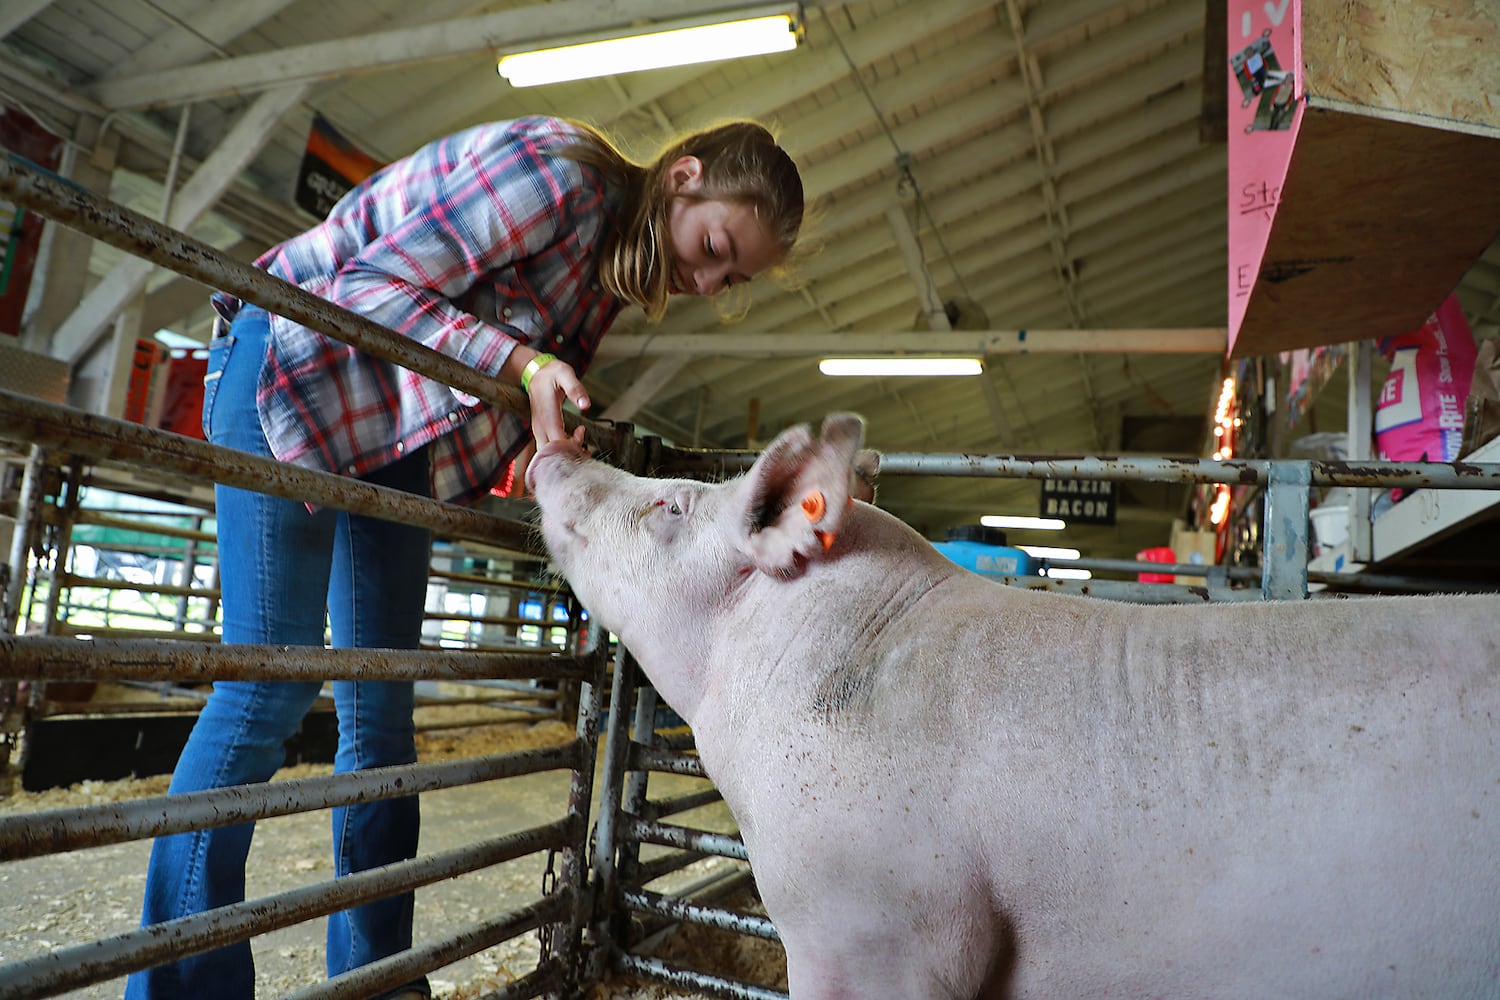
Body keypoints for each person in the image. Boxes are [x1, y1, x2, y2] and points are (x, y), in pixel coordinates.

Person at [125, 114, 804, 1000]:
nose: (710, 280)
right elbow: (366, 288)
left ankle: (381, 980)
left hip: (390, 426)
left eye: (732, 276)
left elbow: (494, 386)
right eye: (716, 246)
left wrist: (524, 447)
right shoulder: (558, 175)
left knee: (381, 715)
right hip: (288, 361)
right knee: (269, 680)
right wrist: (524, 368)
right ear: (682, 178)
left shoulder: (605, 283)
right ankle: (181, 988)